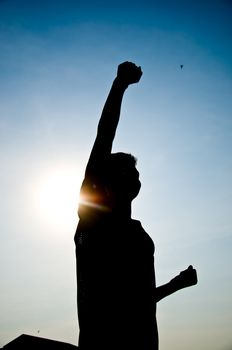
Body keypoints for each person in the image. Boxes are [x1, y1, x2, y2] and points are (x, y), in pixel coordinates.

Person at [75, 61, 198, 350]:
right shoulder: (94, 221)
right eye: (129, 173)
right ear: (106, 183)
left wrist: (176, 285)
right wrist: (120, 86)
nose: (137, 177)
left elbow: (136, 301)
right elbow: (103, 137)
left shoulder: (137, 234)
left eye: (137, 173)